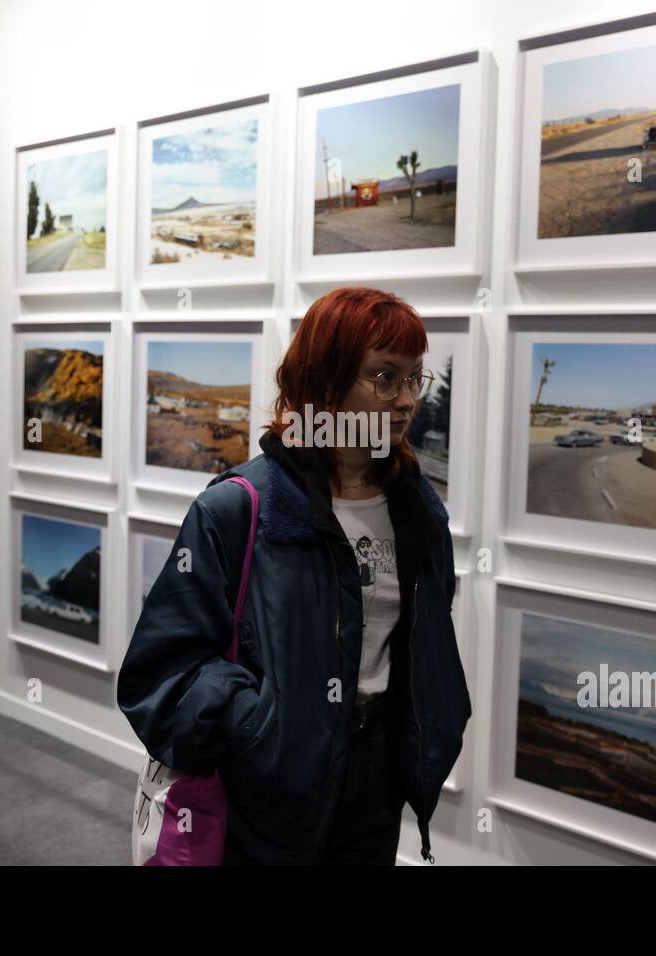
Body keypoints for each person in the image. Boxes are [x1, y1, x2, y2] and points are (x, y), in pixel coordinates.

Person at [118, 286, 471, 865]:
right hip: (262, 789)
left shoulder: (418, 512)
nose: (406, 399)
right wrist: (260, 725)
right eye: (384, 377)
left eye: (415, 378)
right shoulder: (238, 510)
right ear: (325, 384)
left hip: (374, 783)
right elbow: (159, 675)